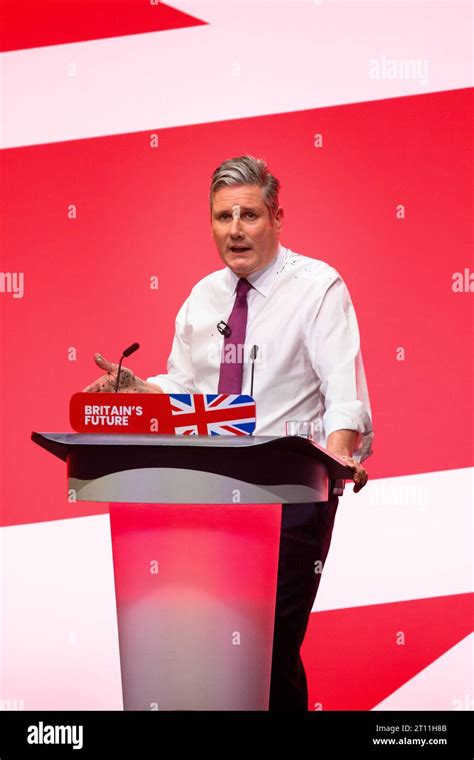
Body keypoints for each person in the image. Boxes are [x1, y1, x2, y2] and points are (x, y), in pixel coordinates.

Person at [84, 155, 373, 711]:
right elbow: (188, 391)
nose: (234, 230)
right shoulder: (202, 298)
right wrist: (139, 388)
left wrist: (341, 456)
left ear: (277, 217)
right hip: (210, 498)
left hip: (291, 497)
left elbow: (344, 395)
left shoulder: (317, 288)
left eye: (249, 215)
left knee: (268, 650)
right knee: (230, 653)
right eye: (222, 217)